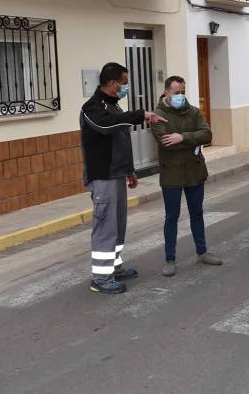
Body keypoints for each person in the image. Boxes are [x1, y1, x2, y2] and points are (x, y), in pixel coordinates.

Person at [80, 62, 166, 294]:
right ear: (112, 83)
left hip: (117, 175)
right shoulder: (93, 108)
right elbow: (106, 127)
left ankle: (113, 268)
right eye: (124, 83)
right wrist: (142, 115)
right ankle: (100, 279)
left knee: (117, 226)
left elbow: (121, 142)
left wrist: (129, 170)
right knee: (105, 227)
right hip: (104, 177)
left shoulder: (113, 106)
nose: (125, 88)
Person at [151, 76, 222, 277]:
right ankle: (170, 260)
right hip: (171, 172)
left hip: (194, 170)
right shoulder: (157, 115)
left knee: (197, 213)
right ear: (167, 93)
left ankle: (202, 252)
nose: (181, 96)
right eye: (176, 92)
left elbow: (207, 134)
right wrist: (192, 138)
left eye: (183, 92)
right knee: (171, 217)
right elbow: (165, 142)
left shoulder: (193, 111)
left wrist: (182, 137)